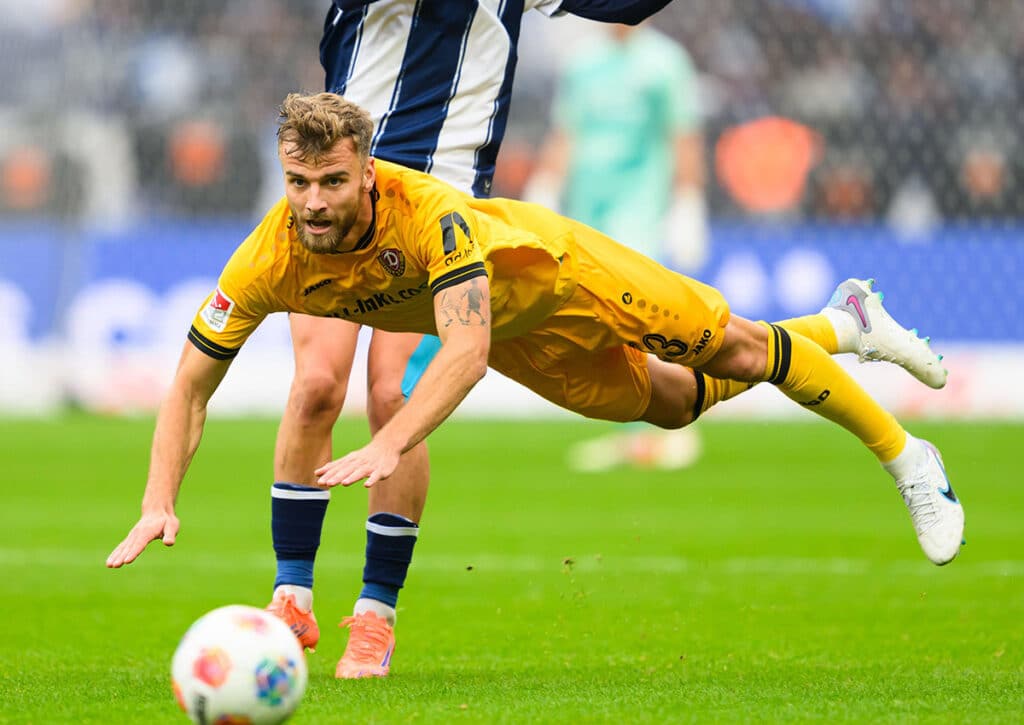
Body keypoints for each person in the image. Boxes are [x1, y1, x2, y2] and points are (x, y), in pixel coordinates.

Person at [108, 93, 964, 679]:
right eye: (299, 183)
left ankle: (906, 453)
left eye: (333, 181)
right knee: (669, 405)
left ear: (368, 172)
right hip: (522, 337)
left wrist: (389, 440)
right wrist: (156, 497)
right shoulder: (269, 254)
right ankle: (847, 324)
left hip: (563, 273)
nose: (315, 201)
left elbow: (464, 351)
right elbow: (190, 383)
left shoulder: (429, 213)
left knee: (737, 351)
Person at [269, 0, 678, 680]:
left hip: (439, 204)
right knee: (315, 387)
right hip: (340, 186)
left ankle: (375, 614)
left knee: (391, 397)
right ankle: (291, 596)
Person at [526, 21, 708, 471]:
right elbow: (566, 131)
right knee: (603, 320)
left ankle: (676, 418)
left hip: (641, 205)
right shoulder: (582, 63)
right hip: (590, 207)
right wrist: (546, 184)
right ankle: (636, 428)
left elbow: (682, 135)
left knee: (642, 313)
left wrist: (688, 201)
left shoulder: (665, 62)